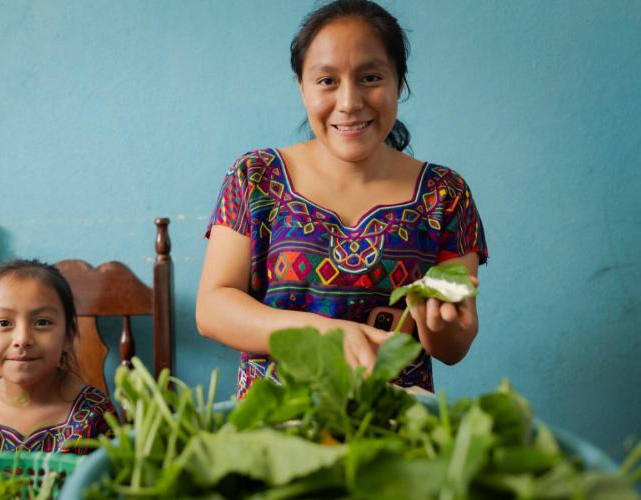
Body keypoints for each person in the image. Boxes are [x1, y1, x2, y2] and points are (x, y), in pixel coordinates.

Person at [196, 0, 488, 398]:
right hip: (274, 430)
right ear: (302, 87)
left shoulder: (445, 194)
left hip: (394, 435)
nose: (349, 102)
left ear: (398, 82)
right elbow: (213, 309)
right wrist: (321, 331)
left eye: (370, 77)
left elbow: (451, 350)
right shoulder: (255, 177)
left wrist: (447, 326)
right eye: (327, 81)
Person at [0, 259, 116, 454]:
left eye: (42, 322)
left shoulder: (95, 415)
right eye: (3, 323)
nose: (23, 339)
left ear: (69, 335)